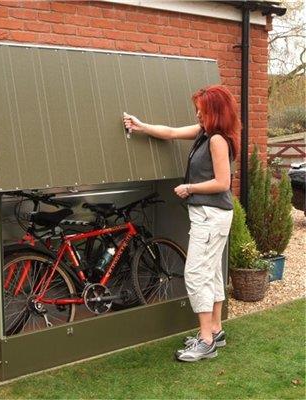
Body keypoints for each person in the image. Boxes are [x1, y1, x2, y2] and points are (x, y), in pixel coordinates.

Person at [123, 85, 240, 362]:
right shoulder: (205, 133)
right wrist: (141, 126)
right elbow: (172, 133)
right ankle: (215, 329)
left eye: (201, 109)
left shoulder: (217, 141)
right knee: (210, 271)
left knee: (196, 273)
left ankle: (206, 341)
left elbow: (223, 183)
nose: (197, 113)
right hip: (209, 215)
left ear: (214, 112)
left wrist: (190, 188)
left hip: (211, 215)